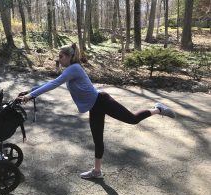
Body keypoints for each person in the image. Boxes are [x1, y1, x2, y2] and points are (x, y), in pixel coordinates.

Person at [17, 43, 176, 179]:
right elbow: (52, 82)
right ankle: (97, 171)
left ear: (69, 57)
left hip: (102, 101)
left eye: (61, 56)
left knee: (132, 119)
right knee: (97, 139)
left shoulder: (74, 68)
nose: (59, 59)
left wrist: (31, 95)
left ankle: (158, 109)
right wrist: (29, 92)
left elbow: (54, 84)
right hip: (95, 106)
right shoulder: (70, 69)